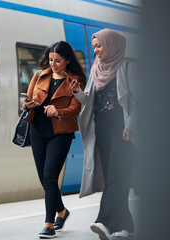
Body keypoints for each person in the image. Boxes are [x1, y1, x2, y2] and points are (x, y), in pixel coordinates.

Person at [70, 29, 138, 239]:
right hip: (101, 127)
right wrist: (77, 92)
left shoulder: (127, 67)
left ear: (112, 45)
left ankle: (103, 221)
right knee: (113, 177)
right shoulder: (96, 70)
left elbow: (137, 101)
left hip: (122, 127)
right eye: (95, 47)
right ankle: (124, 225)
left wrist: (131, 125)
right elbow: (89, 100)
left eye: (100, 46)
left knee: (118, 174)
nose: (97, 50)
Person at [23, 41, 86, 239]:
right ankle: (62, 212)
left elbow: (76, 108)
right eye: (51, 60)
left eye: (57, 60)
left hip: (61, 133)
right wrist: (28, 104)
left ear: (68, 60)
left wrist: (58, 111)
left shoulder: (75, 80)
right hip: (37, 130)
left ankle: (48, 224)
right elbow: (26, 102)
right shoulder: (39, 75)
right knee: (44, 178)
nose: (53, 64)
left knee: (50, 177)